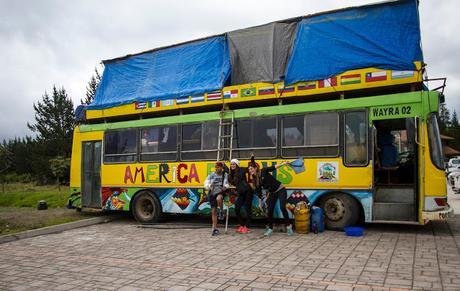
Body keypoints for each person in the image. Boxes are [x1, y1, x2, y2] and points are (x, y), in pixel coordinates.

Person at [248, 156, 293, 236]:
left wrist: (284, 163)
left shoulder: (264, 171)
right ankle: (270, 228)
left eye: (251, 169)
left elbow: (274, 167)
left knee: (282, 207)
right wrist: (259, 203)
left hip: (280, 189)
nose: (250, 171)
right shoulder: (254, 178)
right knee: (270, 210)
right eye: (249, 169)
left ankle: (289, 227)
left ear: (255, 168)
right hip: (272, 193)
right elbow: (258, 192)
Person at [204, 161, 229, 236]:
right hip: (212, 193)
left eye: (218, 167)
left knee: (219, 199)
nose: (216, 169)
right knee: (214, 211)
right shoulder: (211, 175)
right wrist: (209, 185)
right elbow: (205, 184)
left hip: (220, 192)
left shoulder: (225, 175)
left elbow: (226, 183)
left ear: (221, 168)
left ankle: (221, 211)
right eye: (216, 167)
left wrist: (225, 187)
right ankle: (214, 228)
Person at [228, 158, 253, 234]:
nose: (232, 165)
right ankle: (242, 225)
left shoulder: (241, 169)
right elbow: (233, 183)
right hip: (241, 193)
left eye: (234, 164)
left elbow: (250, 167)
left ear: (237, 165)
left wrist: (252, 159)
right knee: (237, 208)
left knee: (248, 209)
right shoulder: (231, 174)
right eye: (231, 164)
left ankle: (247, 227)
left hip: (248, 191)